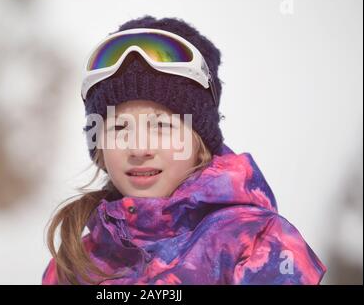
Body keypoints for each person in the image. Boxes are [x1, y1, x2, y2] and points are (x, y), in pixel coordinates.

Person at [42, 15, 326, 285]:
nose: (139, 148)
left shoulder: (256, 245)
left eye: (163, 126)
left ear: (199, 140)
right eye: (118, 129)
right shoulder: (74, 264)